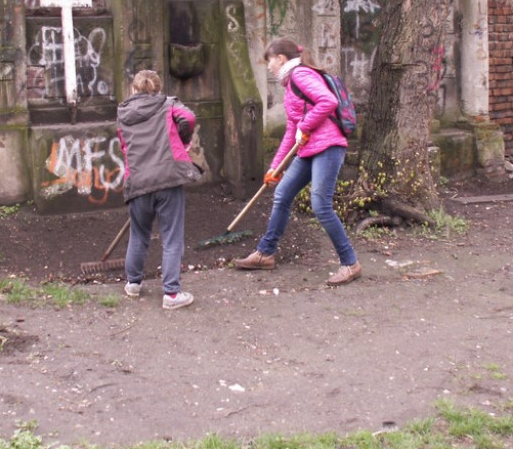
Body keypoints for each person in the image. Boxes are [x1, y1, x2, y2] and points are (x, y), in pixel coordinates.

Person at [233, 38, 362, 286]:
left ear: (281, 59)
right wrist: (275, 166)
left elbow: (328, 102)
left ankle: (350, 263)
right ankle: (265, 254)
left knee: (320, 205)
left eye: (269, 61)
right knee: (282, 193)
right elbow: (292, 131)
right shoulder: (291, 84)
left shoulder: (300, 75)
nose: (268, 67)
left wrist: (305, 125)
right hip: (309, 149)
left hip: (328, 146)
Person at [117, 70, 202, 309]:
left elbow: (124, 146)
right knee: (172, 237)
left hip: (138, 181)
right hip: (168, 177)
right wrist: (181, 139)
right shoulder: (168, 105)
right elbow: (189, 118)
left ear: (133, 89)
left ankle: (133, 283)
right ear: (158, 88)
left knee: (138, 234)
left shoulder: (123, 113)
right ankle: (171, 294)